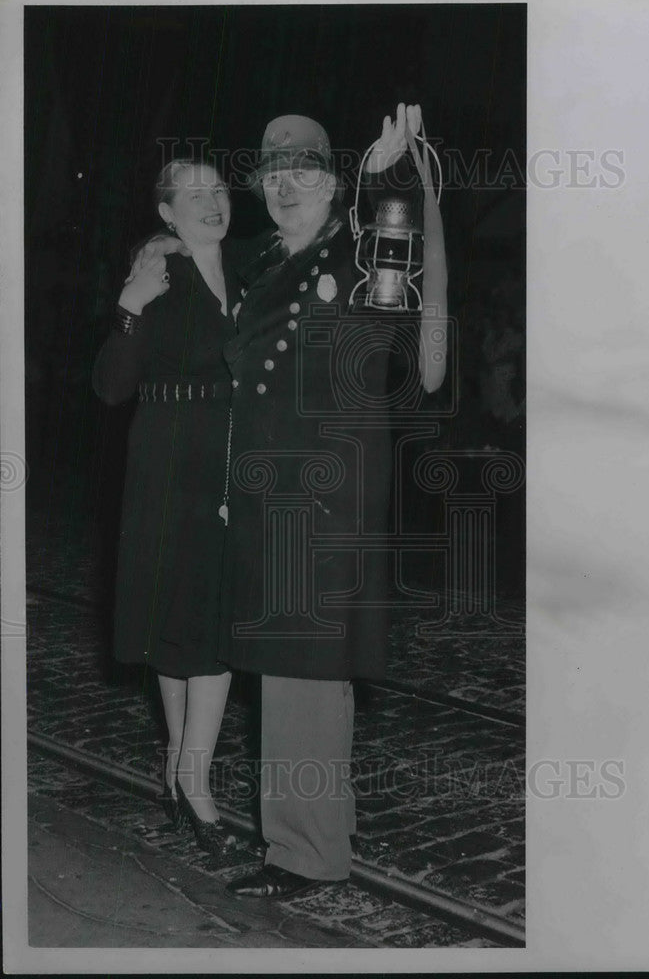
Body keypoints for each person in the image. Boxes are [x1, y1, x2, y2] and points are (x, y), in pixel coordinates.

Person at [216, 104, 447, 897]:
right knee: (299, 677)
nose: (287, 188)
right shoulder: (258, 263)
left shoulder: (354, 253)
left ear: (332, 182)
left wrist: (390, 176)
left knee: (302, 677)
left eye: (304, 174)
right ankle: (321, 829)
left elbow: (394, 282)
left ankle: (304, 855)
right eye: (275, 176)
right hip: (264, 495)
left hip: (320, 496)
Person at [92, 159, 245, 858]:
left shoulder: (253, 273)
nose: (212, 203)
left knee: (212, 622)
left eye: (218, 191)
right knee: (174, 621)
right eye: (194, 194)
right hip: (163, 458)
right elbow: (110, 389)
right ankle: (190, 778)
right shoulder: (156, 272)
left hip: (228, 456)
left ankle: (188, 772)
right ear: (165, 212)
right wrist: (129, 303)